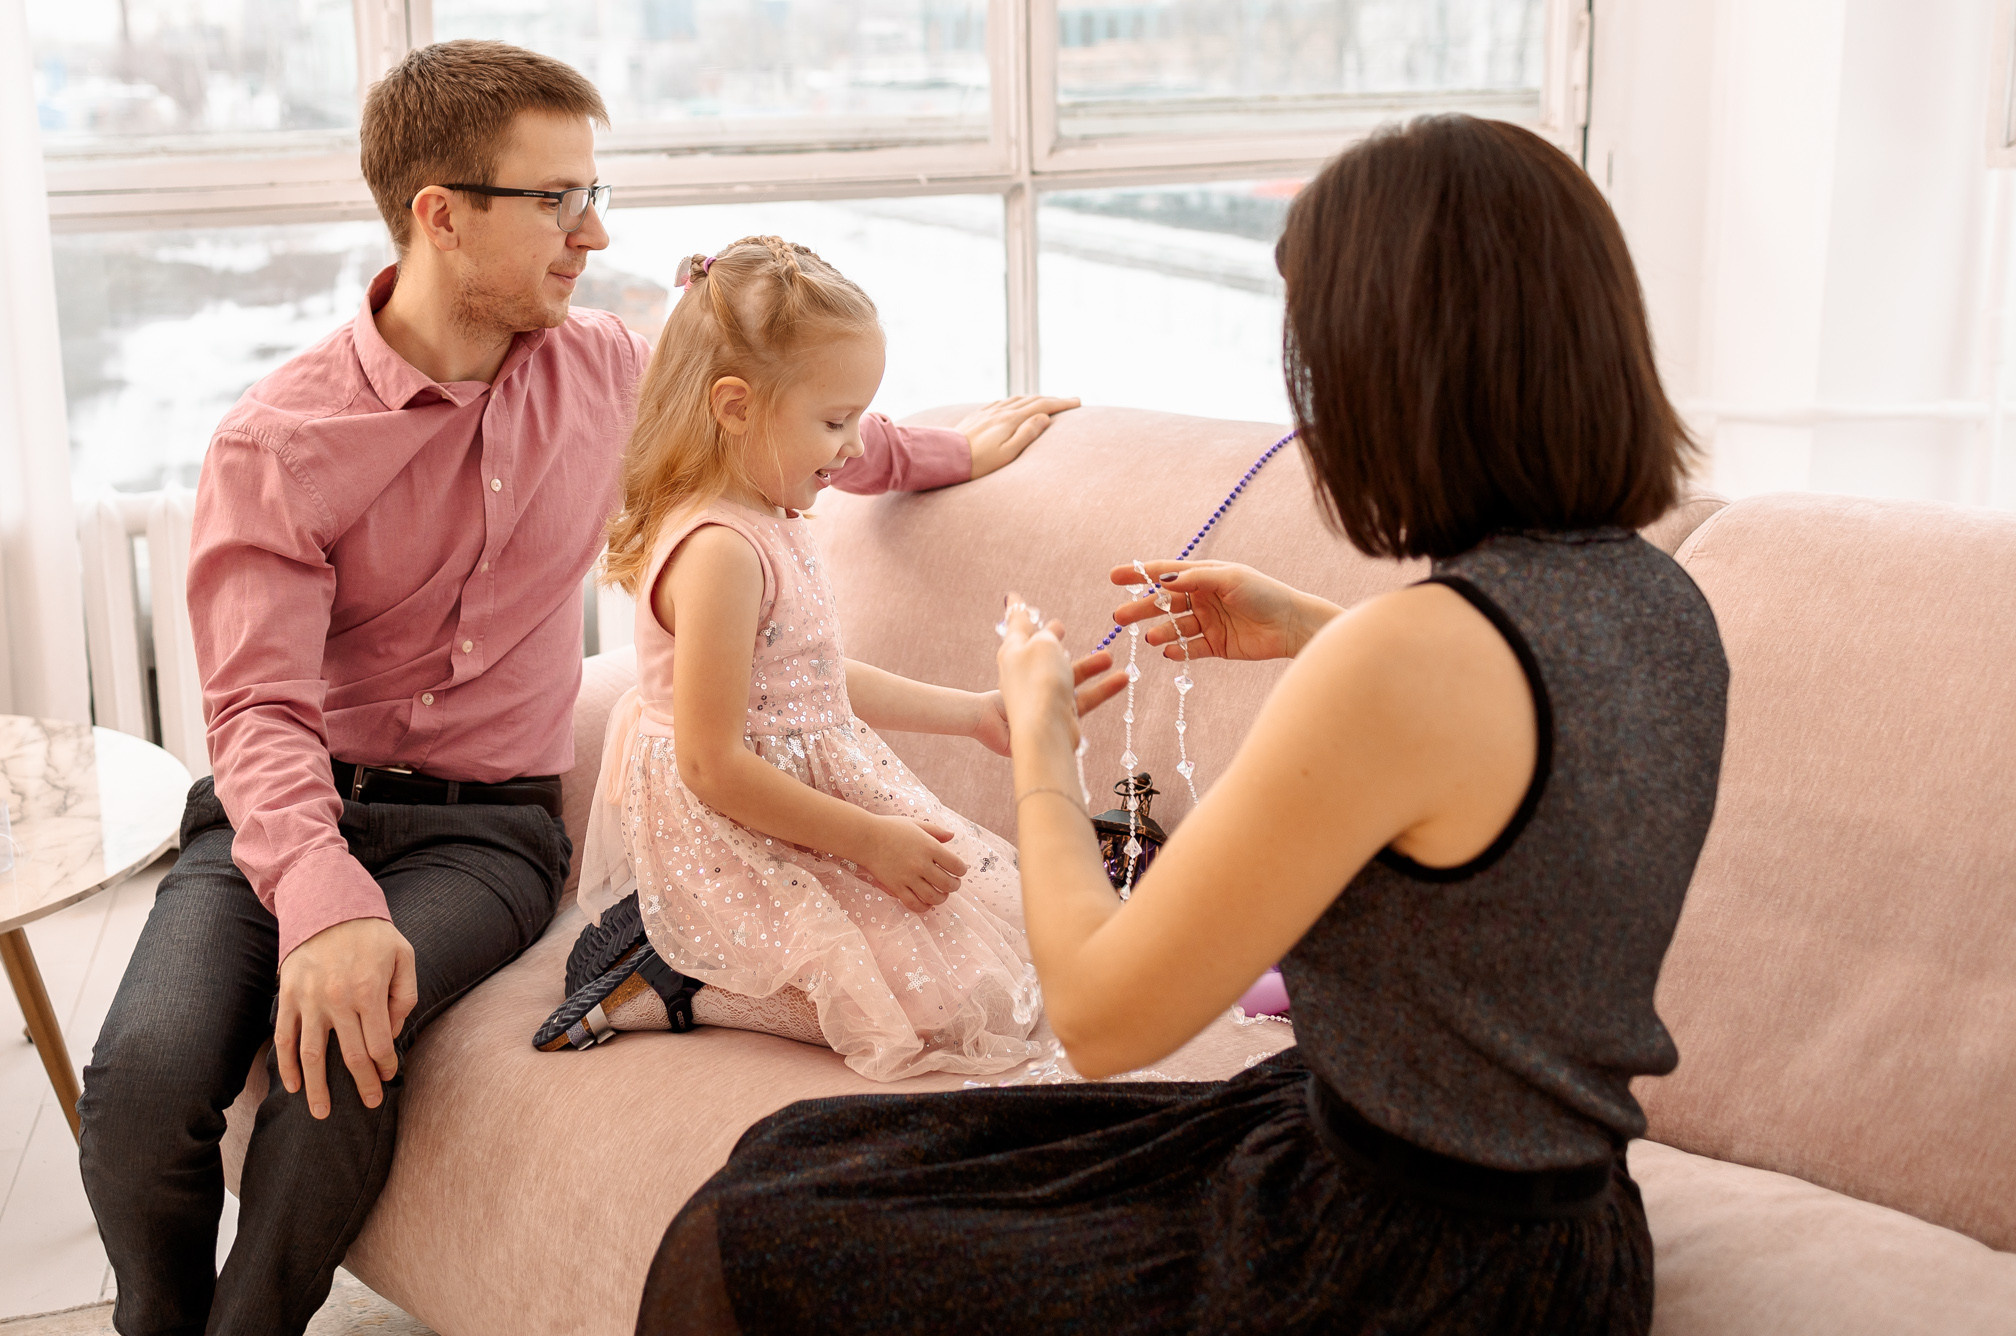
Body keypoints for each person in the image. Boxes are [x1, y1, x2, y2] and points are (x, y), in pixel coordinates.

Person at [637, 114, 1725, 1336]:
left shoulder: (1406, 659)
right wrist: (1317, 624)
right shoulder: (1661, 604)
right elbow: (1522, 757)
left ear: (1397, 383)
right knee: (803, 1154)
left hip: (1385, 1259)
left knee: (750, 1229)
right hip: (1558, 1236)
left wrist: (1039, 742)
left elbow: (1102, 1015)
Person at [73, 39, 1076, 1336]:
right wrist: (321, 907)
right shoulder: (281, 440)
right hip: (279, 820)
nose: (593, 233)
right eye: (556, 200)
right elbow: (260, 713)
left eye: (591, 194)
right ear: (440, 215)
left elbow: (789, 422)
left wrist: (953, 444)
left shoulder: (606, 373)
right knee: (144, 1080)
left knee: (340, 1066)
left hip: (479, 837)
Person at [563, 235, 1048, 1081]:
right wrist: (870, 842)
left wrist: (970, 714)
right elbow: (712, 767)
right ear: (735, 406)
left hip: (798, 806)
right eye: (833, 420)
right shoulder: (718, 549)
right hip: (732, 826)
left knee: (1002, 960)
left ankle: (688, 956)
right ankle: (672, 976)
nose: (857, 446)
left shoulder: (771, 517)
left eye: (858, 416)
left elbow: (812, 681)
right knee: (937, 1012)